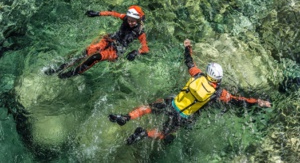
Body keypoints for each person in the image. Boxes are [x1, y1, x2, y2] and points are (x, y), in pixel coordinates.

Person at [108, 39, 271, 145]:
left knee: (148, 107)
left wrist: (188, 47)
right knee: (165, 134)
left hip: (171, 103)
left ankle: (126, 117)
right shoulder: (219, 93)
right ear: (219, 79)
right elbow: (238, 100)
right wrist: (258, 102)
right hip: (182, 116)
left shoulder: (197, 74)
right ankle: (144, 133)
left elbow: (189, 61)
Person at [45, 5, 149, 78]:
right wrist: (98, 13)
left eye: (133, 21)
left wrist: (136, 52)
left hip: (116, 51)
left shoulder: (140, 32)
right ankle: (58, 68)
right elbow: (112, 13)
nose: (130, 22)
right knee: (85, 53)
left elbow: (145, 49)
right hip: (109, 39)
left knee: (95, 57)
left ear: (139, 20)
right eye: (129, 20)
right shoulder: (125, 18)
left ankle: (72, 73)